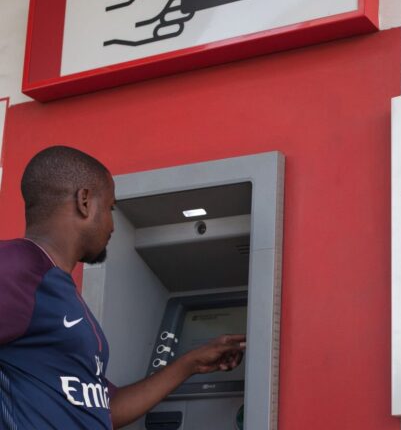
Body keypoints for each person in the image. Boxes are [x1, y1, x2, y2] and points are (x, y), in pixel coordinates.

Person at [0, 146, 246, 429]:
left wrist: (190, 363)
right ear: (84, 201)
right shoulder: (16, 266)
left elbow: (106, 408)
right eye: (110, 208)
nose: (112, 225)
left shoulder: (57, 287)